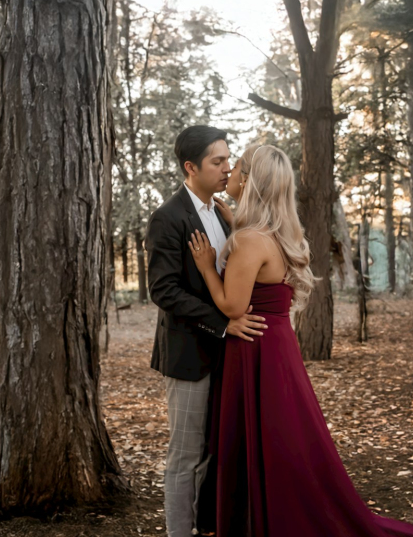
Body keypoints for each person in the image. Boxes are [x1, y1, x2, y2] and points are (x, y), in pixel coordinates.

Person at [188, 145, 413, 537]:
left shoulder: (249, 239)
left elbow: (234, 306)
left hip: (255, 348)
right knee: (284, 436)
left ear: (250, 181)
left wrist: (205, 268)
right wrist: (234, 221)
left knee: (264, 438)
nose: (229, 172)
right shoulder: (273, 232)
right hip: (278, 347)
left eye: (237, 167)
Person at [145, 126, 268, 537]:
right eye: (217, 161)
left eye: (228, 159)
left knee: (215, 452)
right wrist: (222, 324)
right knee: (185, 455)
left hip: (228, 355)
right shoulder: (167, 217)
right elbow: (163, 290)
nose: (226, 168)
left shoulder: (221, 212)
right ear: (190, 167)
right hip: (189, 356)